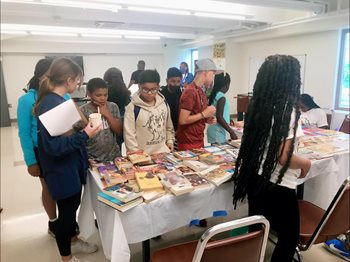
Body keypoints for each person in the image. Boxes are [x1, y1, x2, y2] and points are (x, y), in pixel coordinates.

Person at [232, 55, 311, 262]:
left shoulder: (259, 105)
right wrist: (306, 163)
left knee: (258, 228)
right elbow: (284, 157)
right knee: (289, 236)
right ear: (290, 80)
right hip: (279, 184)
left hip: (256, 177)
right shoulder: (289, 111)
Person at [34, 58, 100, 262]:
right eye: (78, 82)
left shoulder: (56, 101)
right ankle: (67, 258)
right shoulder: (50, 104)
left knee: (70, 210)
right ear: (70, 79)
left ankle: (72, 241)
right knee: (66, 215)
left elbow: (67, 138)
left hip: (68, 167)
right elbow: (53, 147)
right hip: (61, 172)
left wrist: (84, 157)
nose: (78, 86)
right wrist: (86, 134)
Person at [17, 58, 74, 237]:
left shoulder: (64, 96)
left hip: (64, 149)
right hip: (41, 150)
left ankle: (68, 221)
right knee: (49, 188)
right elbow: (24, 133)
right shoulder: (27, 100)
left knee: (67, 189)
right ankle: (53, 222)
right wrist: (31, 161)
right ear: (42, 76)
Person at [123, 70, 175, 155]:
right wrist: (135, 153)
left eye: (153, 89)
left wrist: (169, 141)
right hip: (143, 156)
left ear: (158, 86)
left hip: (163, 153)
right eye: (145, 89)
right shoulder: (132, 108)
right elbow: (129, 135)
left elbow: (169, 126)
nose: (149, 93)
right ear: (139, 86)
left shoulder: (163, 103)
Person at [176, 58, 217, 151]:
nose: (213, 78)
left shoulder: (200, 91)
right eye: (212, 74)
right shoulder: (190, 91)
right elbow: (183, 120)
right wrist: (204, 114)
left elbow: (197, 114)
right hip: (188, 142)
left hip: (198, 139)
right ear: (205, 73)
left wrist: (207, 118)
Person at [79, 78, 123, 162]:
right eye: (98, 95)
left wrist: (107, 114)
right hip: (92, 158)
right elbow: (82, 137)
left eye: (105, 95)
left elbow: (119, 132)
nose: (102, 98)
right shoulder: (83, 111)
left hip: (114, 157)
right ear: (89, 94)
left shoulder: (112, 107)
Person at [104, 67, 130, 149]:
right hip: (122, 119)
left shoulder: (106, 90)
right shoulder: (124, 89)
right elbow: (127, 103)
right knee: (118, 144)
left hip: (108, 119)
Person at [207, 72, 237, 144]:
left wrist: (227, 118)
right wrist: (231, 132)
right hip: (217, 130)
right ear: (227, 85)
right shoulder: (222, 97)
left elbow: (217, 112)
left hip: (213, 129)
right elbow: (219, 118)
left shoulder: (215, 94)